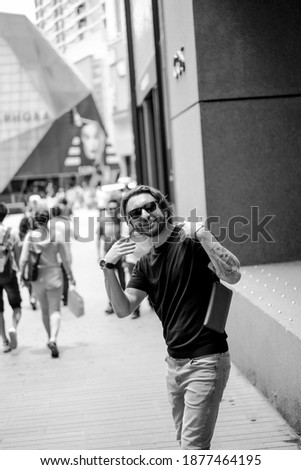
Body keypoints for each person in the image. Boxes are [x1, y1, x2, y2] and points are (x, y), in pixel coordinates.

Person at [99, 185, 241, 449]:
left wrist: (203, 235)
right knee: (186, 445)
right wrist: (108, 267)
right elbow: (123, 308)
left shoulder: (190, 239)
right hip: (174, 365)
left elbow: (233, 275)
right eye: (135, 212)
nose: (145, 214)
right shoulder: (144, 263)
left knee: (192, 449)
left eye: (150, 206)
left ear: (162, 207)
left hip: (206, 359)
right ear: (130, 222)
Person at [19, 210, 75, 358]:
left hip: (38, 278)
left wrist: (21, 275)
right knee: (55, 310)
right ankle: (53, 339)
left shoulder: (30, 236)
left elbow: (24, 259)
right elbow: (65, 259)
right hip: (55, 275)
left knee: (44, 311)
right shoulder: (56, 234)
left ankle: (49, 337)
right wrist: (70, 275)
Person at [97, 199, 126, 314]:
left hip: (121, 255)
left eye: (115, 208)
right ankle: (111, 303)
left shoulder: (121, 221)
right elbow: (98, 238)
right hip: (108, 255)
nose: (113, 210)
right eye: (110, 208)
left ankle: (123, 301)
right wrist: (98, 255)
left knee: (122, 279)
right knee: (110, 279)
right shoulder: (103, 221)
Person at [0, 202, 22, 353]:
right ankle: (13, 326)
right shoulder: (11, 232)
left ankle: (5, 341)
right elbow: (18, 254)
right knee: (16, 305)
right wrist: (20, 272)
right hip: (9, 274)